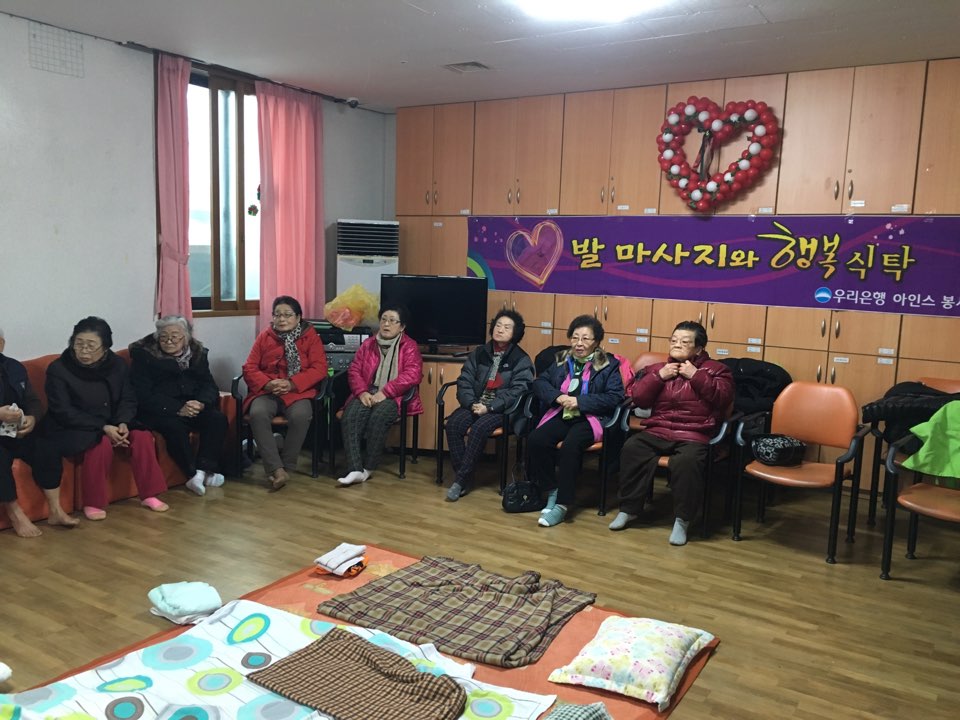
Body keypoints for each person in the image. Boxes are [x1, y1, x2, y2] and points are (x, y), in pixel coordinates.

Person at [609, 320, 734, 546]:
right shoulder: (658, 369)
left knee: (687, 462)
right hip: (659, 429)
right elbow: (639, 399)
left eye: (684, 342)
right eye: (674, 340)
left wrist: (696, 375)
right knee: (632, 448)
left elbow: (723, 399)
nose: (676, 345)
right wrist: (658, 377)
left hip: (695, 433)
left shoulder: (717, 370)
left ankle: (682, 520)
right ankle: (628, 509)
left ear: (699, 348)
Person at [45, 317, 169, 521]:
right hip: (74, 425)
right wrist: (103, 427)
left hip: (113, 420)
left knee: (142, 437)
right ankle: (93, 502)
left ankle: (149, 494)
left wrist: (122, 422)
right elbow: (62, 410)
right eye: (79, 344)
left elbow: (128, 397)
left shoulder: (117, 365)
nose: (84, 351)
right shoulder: (59, 369)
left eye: (91, 346)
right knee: (99, 443)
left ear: (105, 347)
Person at [527, 315, 624, 527]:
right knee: (536, 440)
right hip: (563, 412)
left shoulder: (607, 364)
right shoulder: (561, 359)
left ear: (596, 342)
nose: (579, 343)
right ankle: (552, 489)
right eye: (575, 337)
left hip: (592, 417)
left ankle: (562, 505)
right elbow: (540, 383)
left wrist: (580, 401)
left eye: (586, 338)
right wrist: (558, 397)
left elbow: (615, 397)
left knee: (570, 446)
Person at [129, 316, 228, 496]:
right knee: (174, 427)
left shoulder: (197, 354)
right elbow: (143, 394)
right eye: (163, 336)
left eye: (175, 336)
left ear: (186, 337)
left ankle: (203, 470)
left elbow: (208, 385)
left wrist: (201, 403)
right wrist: (177, 408)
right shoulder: (144, 357)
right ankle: (192, 473)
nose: (169, 341)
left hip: (192, 406)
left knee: (217, 419)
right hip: (161, 410)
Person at [444, 309, 533, 501]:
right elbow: (465, 380)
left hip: (501, 410)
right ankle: (465, 478)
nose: (500, 330)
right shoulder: (479, 353)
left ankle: (460, 481)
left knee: (478, 429)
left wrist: (490, 406)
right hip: (475, 404)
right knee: (453, 425)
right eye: (498, 325)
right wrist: (472, 403)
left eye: (507, 327)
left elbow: (518, 391)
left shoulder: (521, 359)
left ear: (515, 333)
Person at [242, 296, 328, 492]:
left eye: (287, 315)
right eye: (277, 315)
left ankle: (287, 465)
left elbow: (319, 368)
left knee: (301, 415)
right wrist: (268, 384)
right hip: (268, 390)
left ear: (298, 317)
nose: (281, 319)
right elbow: (250, 367)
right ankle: (276, 469)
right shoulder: (265, 336)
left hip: (297, 391)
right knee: (257, 413)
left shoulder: (310, 336)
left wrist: (292, 384)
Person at [0, 328, 79, 537]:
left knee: (47, 446)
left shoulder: (14, 367)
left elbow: (33, 401)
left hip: (16, 430)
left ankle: (55, 510)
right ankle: (15, 515)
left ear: (1, 344)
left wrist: (32, 419)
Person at [338, 304, 423, 486]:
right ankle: (355, 469)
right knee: (350, 416)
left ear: (402, 326)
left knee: (378, 418)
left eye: (392, 321)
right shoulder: (368, 344)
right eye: (383, 319)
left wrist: (385, 392)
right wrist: (362, 392)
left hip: (395, 397)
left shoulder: (409, 346)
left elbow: (413, 374)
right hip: (367, 392)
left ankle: (368, 468)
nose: (386, 324)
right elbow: (354, 370)